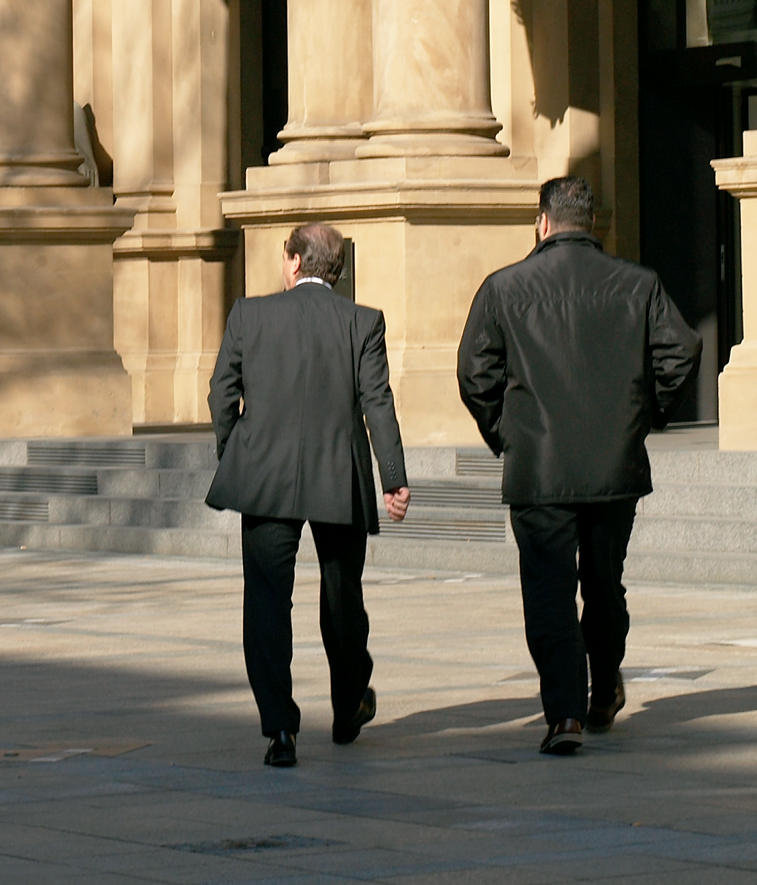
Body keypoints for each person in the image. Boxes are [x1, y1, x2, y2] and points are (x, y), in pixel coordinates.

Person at [457, 175, 700, 758]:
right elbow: (682, 351)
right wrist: (646, 416)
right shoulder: (638, 283)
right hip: (613, 464)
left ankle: (564, 712)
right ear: (590, 223)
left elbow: (474, 373)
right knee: (604, 583)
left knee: (549, 591)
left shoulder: (504, 286)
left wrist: (505, 433)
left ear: (542, 222)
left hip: (539, 468)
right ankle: (604, 687)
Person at [207, 222, 410, 769]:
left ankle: (280, 729)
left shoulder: (249, 314)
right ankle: (348, 706)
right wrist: (393, 476)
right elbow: (378, 401)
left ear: (295, 262)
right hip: (338, 475)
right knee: (343, 596)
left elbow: (222, 392)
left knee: (267, 601)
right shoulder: (363, 321)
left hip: (264, 478)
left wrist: (235, 452)